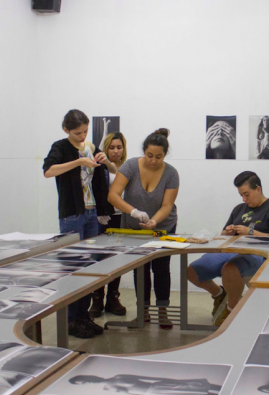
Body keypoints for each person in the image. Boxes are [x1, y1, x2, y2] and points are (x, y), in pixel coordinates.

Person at [43, 109, 115, 339]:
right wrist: (78, 162)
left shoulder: (91, 146)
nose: (82, 136)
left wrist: (105, 161)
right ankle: (71, 320)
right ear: (66, 130)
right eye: (77, 133)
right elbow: (48, 171)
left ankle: (82, 316)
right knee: (73, 267)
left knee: (89, 267)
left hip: (92, 213)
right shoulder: (60, 147)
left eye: (84, 131)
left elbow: (113, 170)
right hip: (72, 213)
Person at [187, 171, 269, 326]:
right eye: (241, 195)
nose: (244, 199)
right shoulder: (239, 209)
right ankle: (219, 294)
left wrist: (251, 233)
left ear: (258, 189)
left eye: (247, 194)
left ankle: (232, 310)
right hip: (231, 250)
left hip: (259, 255)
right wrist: (227, 232)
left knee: (230, 269)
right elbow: (223, 235)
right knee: (191, 271)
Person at [109, 129, 179, 330]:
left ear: (164, 155)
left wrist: (154, 221)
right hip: (134, 227)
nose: (154, 161)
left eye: (159, 157)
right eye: (149, 156)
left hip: (162, 226)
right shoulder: (130, 166)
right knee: (140, 268)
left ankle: (163, 313)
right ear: (143, 152)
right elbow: (113, 195)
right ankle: (144, 313)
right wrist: (133, 212)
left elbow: (167, 205)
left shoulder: (171, 173)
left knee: (161, 268)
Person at [90, 132, 128, 318]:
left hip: (121, 218)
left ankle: (113, 297)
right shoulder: (100, 166)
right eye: (112, 147)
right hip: (102, 217)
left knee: (116, 259)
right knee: (99, 258)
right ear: (105, 148)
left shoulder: (128, 167)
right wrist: (98, 211)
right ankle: (97, 297)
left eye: (119, 147)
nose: (115, 151)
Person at [68, 374, 222, 394]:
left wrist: (171, 380)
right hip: (151, 393)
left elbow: (145, 376)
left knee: (191, 385)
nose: (89, 381)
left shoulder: (118, 376)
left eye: (87, 378)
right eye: (85, 383)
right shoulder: (108, 387)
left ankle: (224, 389)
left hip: (157, 384)